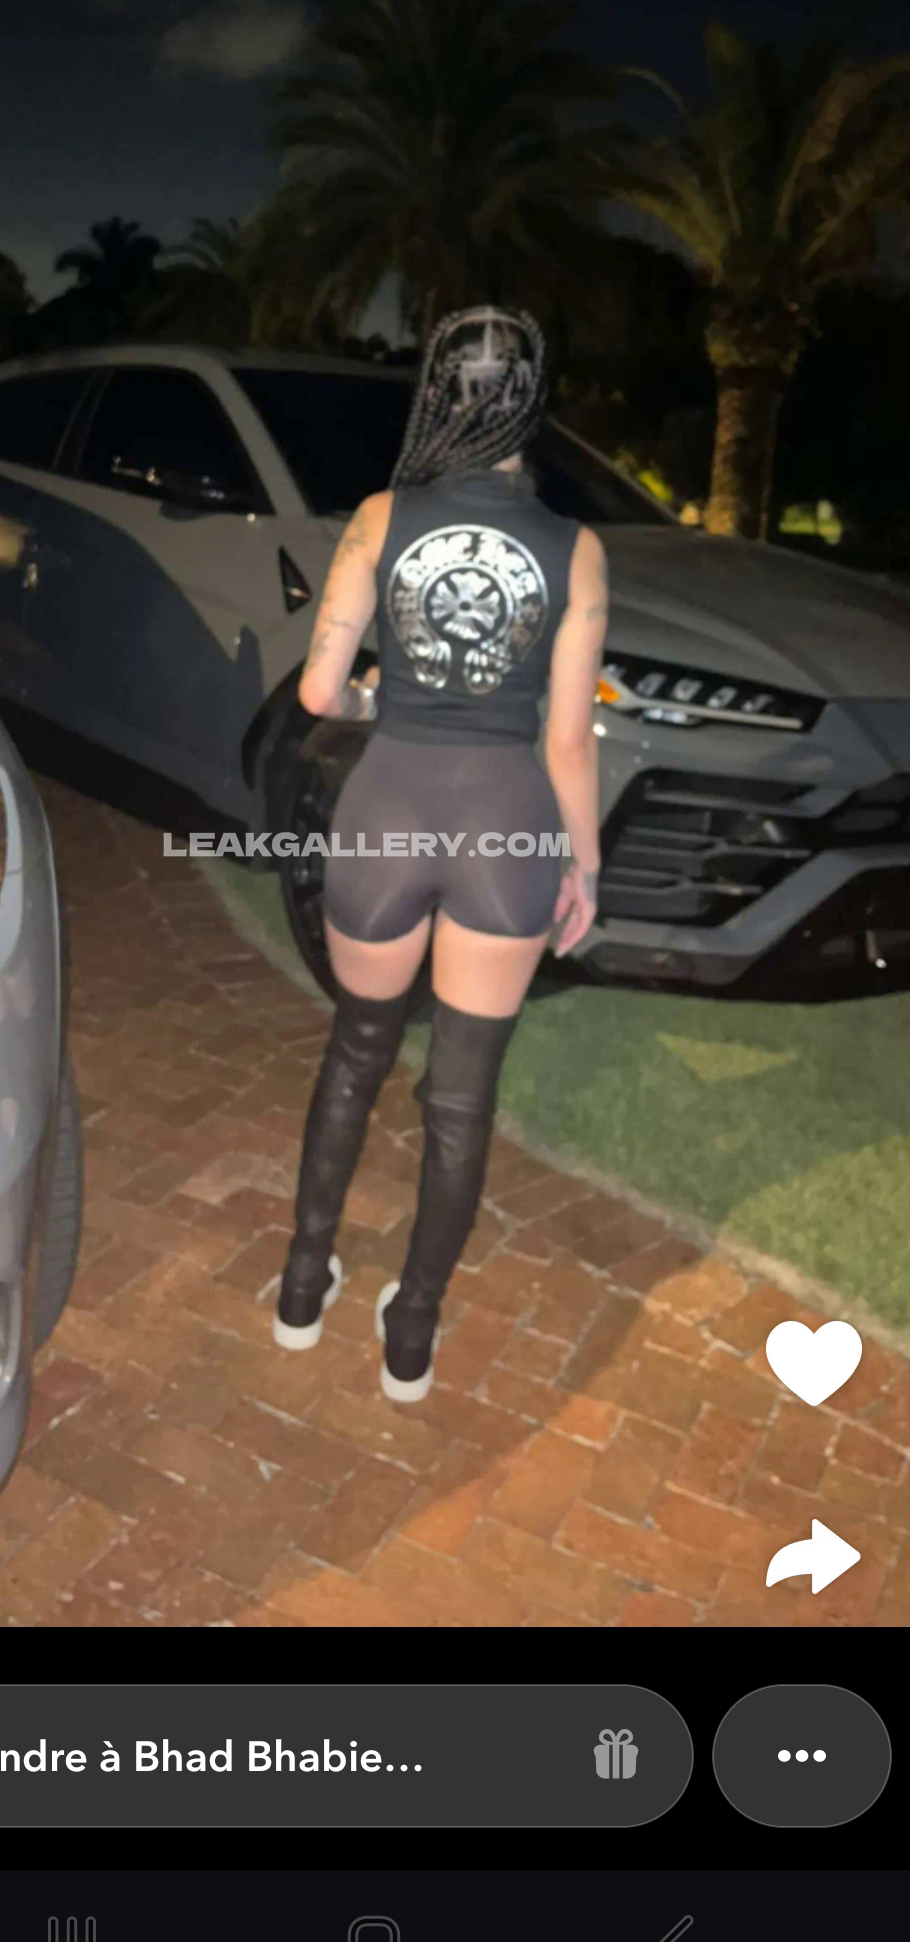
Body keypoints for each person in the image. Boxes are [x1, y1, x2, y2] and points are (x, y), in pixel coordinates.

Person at [272, 305, 608, 1401]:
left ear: (434, 396)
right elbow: (569, 739)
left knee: (355, 1052)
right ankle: (410, 1334)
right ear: (532, 404)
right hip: (508, 825)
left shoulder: (382, 518)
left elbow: (318, 693)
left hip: (389, 812)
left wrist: (377, 695)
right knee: (460, 1099)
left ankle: (301, 1286)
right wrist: (583, 868)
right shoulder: (576, 549)